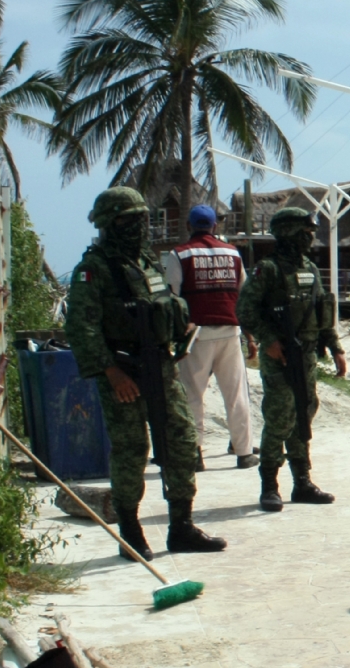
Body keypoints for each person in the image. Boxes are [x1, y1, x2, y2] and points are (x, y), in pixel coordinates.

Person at [64, 187, 228, 559]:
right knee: (131, 450)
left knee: (182, 442)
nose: (138, 227)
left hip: (161, 367)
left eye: (141, 219)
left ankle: (182, 527)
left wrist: (177, 324)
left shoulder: (146, 261)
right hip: (123, 371)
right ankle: (130, 529)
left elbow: (163, 303)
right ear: (108, 224)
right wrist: (111, 372)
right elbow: (81, 328)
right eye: (128, 220)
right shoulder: (94, 269)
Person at [236, 207, 345, 512]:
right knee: (280, 418)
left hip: (307, 355)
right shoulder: (267, 270)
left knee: (303, 415)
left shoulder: (310, 267)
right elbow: (245, 310)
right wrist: (267, 340)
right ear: (287, 233)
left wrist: (335, 348)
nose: (310, 237)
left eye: (312, 232)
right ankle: (269, 485)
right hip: (281, 356)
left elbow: (323, 312)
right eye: (304, 232)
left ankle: (303, 482)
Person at [164, 205, 258, 471]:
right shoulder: (232, 253)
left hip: (196, 335)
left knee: (193, 395)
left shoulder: (179, 255)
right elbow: (244, 297)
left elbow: (172, 298)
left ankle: (195, 453)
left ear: (188, 226)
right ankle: (244, 452)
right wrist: (250, 337)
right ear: (215, 226)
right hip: (231, 332)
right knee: (237, 395)